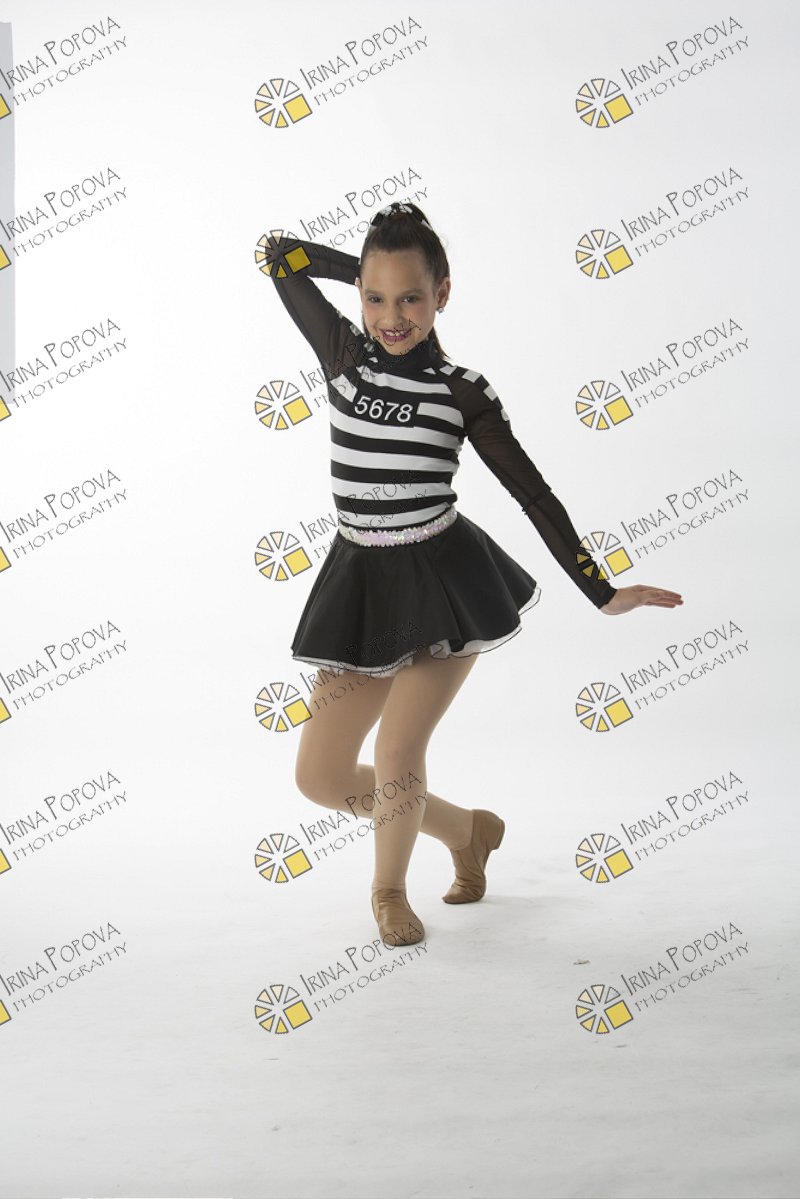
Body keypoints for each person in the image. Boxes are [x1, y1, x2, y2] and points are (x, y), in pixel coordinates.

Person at [256, 200, 682, 948]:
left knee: (396, 753)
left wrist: (601, 589)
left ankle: (389, 891)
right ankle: (466, 831)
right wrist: (360, 271)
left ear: (442, 294)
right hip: (359, 586)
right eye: (376, 298)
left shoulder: (462, 390)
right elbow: (278, 254)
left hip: (444, 586)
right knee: (319, 778)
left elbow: (532, 491)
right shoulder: (344, 357)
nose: (392, 317)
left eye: (411, 298)